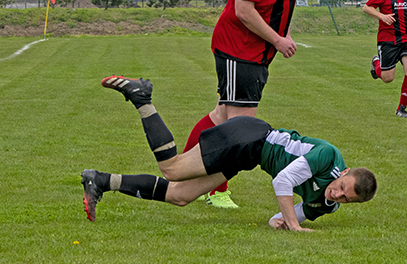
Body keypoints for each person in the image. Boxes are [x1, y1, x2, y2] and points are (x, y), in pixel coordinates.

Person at [82, 75, 376, 231]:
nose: (336, 194)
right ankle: (141, 97)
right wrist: (296, 229)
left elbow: (283, 216)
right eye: (340, 187)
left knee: (180, 196)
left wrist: (282, 223)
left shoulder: (326, 206)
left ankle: (100, 180)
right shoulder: (327, 156)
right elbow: (282, 182)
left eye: (344, 198)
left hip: (247, 156)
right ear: (344, 173)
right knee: (172, 169)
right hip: (248, 136)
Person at [183, 0, 303, 208]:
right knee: (240, 131)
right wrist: (277, 39)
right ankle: (216, 191)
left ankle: (180, 170)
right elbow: (243, 10)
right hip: (239, 50)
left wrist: (283, 31)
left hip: (256, 52)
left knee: (222, 116)